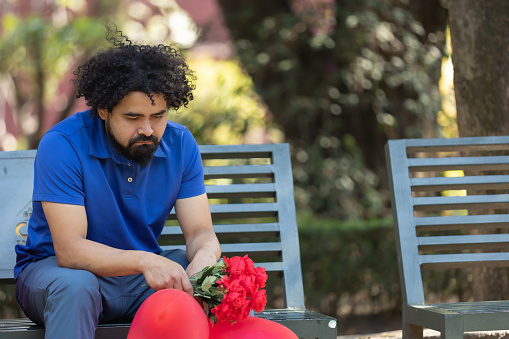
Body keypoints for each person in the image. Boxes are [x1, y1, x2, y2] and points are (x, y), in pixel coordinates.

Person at [13, 24, 221, 339]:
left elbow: (201, 233)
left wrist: (202, 264)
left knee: (212, 274)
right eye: (133, 118)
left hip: (138, 280)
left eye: (158, 116)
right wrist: (144, 261)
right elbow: (70, 251)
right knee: (76, 286)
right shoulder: (63, 144)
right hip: (61, 274)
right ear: (102, 109)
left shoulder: (181, 144)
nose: (148, 130)